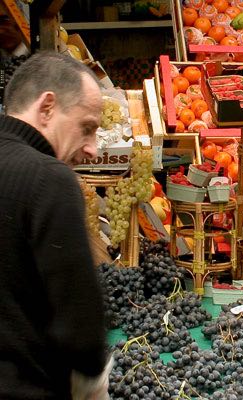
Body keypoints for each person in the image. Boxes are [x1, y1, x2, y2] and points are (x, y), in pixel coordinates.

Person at [0, 52, 109, 399]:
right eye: (87, 128)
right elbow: (81, 326)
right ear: (47, 107)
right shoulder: (49, 179)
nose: (92, 150)